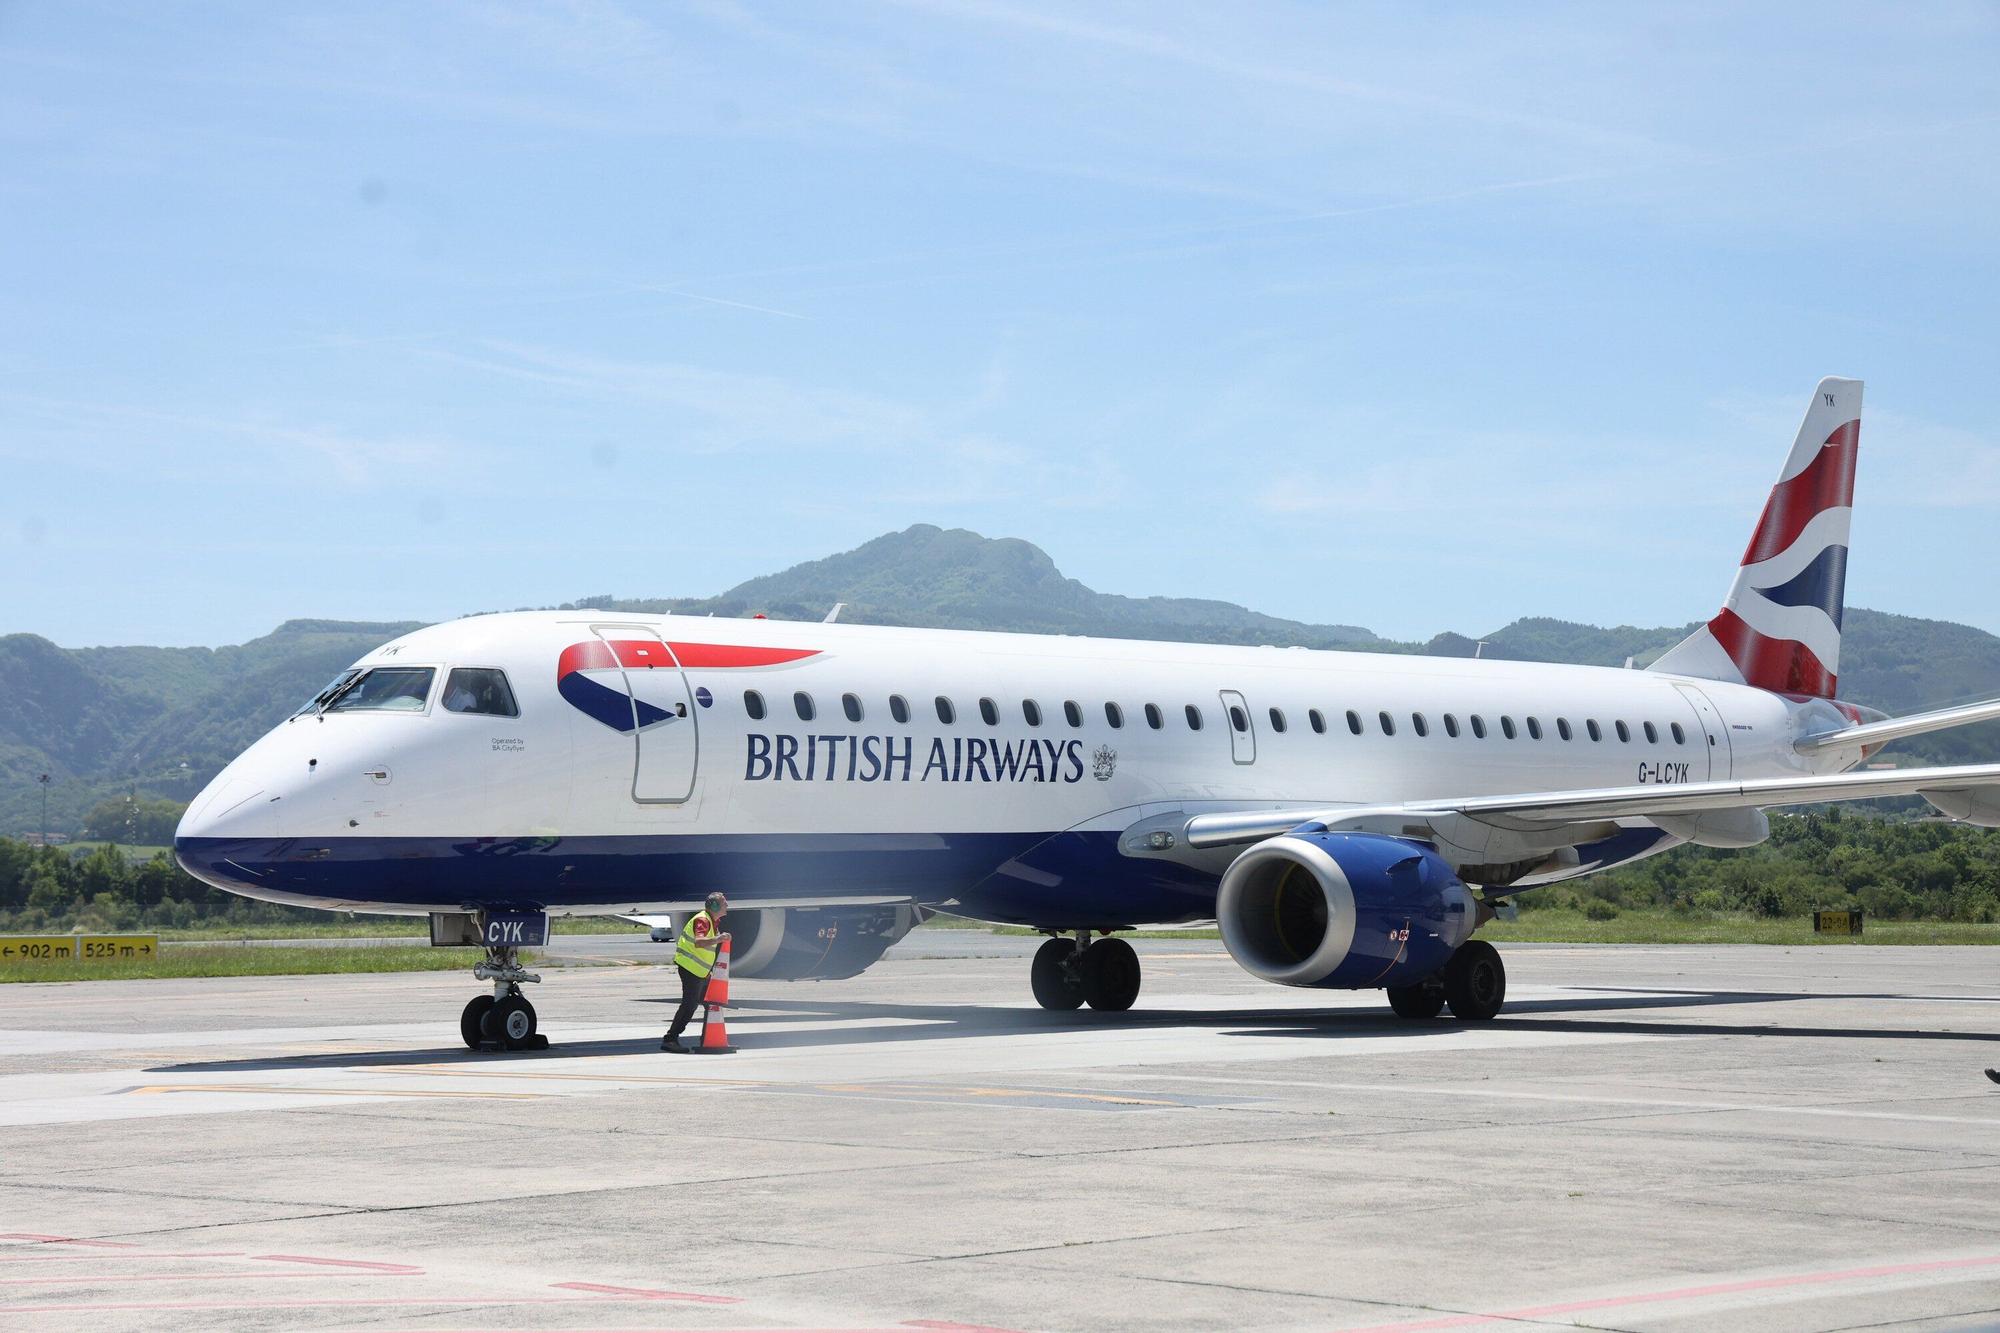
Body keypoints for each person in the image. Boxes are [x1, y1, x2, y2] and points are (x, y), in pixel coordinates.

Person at [661, 892, 728, 1052]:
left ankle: (708, 1038)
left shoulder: (711, 921)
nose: (727, 906)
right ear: (714, 906)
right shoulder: (703, 920)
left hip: (699, 971)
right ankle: (670, 1039)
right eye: (724, 903)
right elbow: (699, 942)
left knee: (708, 1002)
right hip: (690, 968)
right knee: (689, 1005)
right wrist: (719, 939)